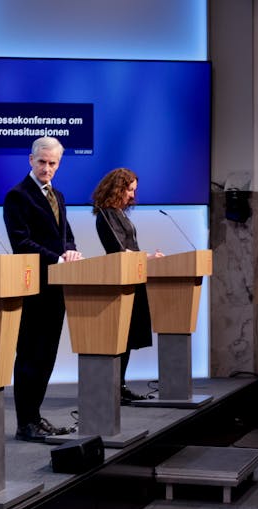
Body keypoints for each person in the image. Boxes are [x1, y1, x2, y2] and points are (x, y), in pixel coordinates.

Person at [2, 136, 83, 442]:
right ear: (30, 160)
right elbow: (21, 242)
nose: (47, 168)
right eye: (42, 162)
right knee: (30, 355)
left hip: (56, 286)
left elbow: (67, 234)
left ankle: (35, 416)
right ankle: (25, 422)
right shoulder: (17, 195)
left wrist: (71, 251)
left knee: (47, 354)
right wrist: (58, 257)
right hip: (33, 285)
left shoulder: (58, 196)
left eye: (53, 163)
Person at [91, 167, 163, 404]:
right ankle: (114, 387)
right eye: (130, 190)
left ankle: (120, 385)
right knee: (121, 337)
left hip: (133, 278)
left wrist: (145, 258)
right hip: (120, 281)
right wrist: (146, 258)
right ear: (118, 188)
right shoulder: (105, 214)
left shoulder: (119, 213)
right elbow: (119, 251)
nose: (133, 195)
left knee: (129, 337)